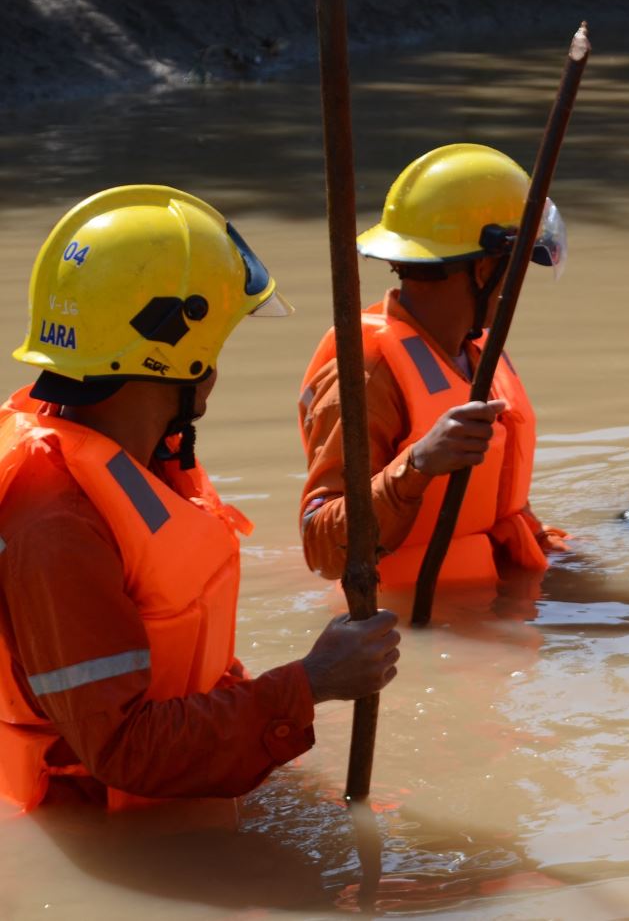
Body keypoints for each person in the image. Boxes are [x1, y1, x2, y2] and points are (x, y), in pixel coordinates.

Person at [0, 186, 401, 813]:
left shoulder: (132, 455)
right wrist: (310, 683)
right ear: (182, 359)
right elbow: (124, 749)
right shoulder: (57, 519)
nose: (217, 369)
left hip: (180, 798)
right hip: (114, 833)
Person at [298, 143, 567, 594]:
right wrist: (419, 463)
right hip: (423, 627)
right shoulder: (368, 372)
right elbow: (324, 548)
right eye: (516, 266)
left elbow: (501, 518)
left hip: (494, 612)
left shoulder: (479, 350)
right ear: (483, 269)